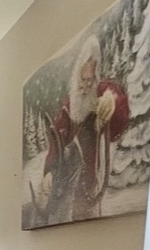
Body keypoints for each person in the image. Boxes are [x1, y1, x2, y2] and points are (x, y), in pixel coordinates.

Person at [38, 34, 130, 223]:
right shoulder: (68, 106)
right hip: (66, 185)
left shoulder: (103, 93)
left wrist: (112, 100)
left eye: (91, 80)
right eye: (83, 79)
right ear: (76, 76)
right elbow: (56, 140)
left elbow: (119, 113)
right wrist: (49, 169)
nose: (86, 85)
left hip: (90, 184)